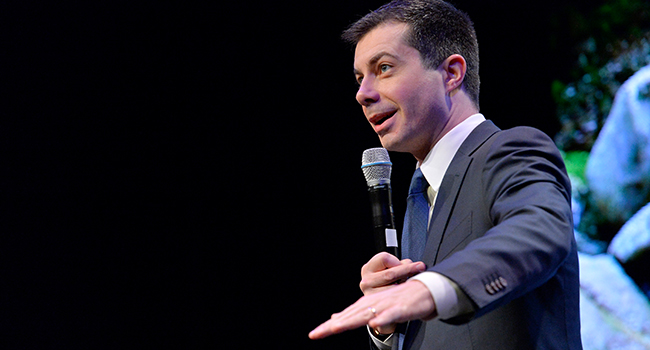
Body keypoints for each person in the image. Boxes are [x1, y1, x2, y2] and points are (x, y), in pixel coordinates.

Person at [308, 0, 582, 349]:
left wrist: (430, 289)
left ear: (451, 73)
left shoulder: (511, 150)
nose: (363, 94)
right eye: (360, 78)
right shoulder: (420, 198)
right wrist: (387, 327)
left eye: (385, 68)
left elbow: (542, 229)